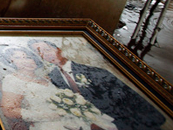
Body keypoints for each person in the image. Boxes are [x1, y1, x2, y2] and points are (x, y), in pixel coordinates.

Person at [28, 39, 165, 130]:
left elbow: (129, 98)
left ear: (57, 49)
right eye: (38, 52)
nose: (44, 55)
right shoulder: (52, 78)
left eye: (46, 49)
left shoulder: (95, 72)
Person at [0, 47, 116, 130]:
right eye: (18, 58)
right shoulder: (12, 80)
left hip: (73, 120)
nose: (26, 61)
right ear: (11, 62)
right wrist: (48, 115)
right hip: (49, 126)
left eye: (28, 57)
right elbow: (9, 110)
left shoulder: (47, 78)